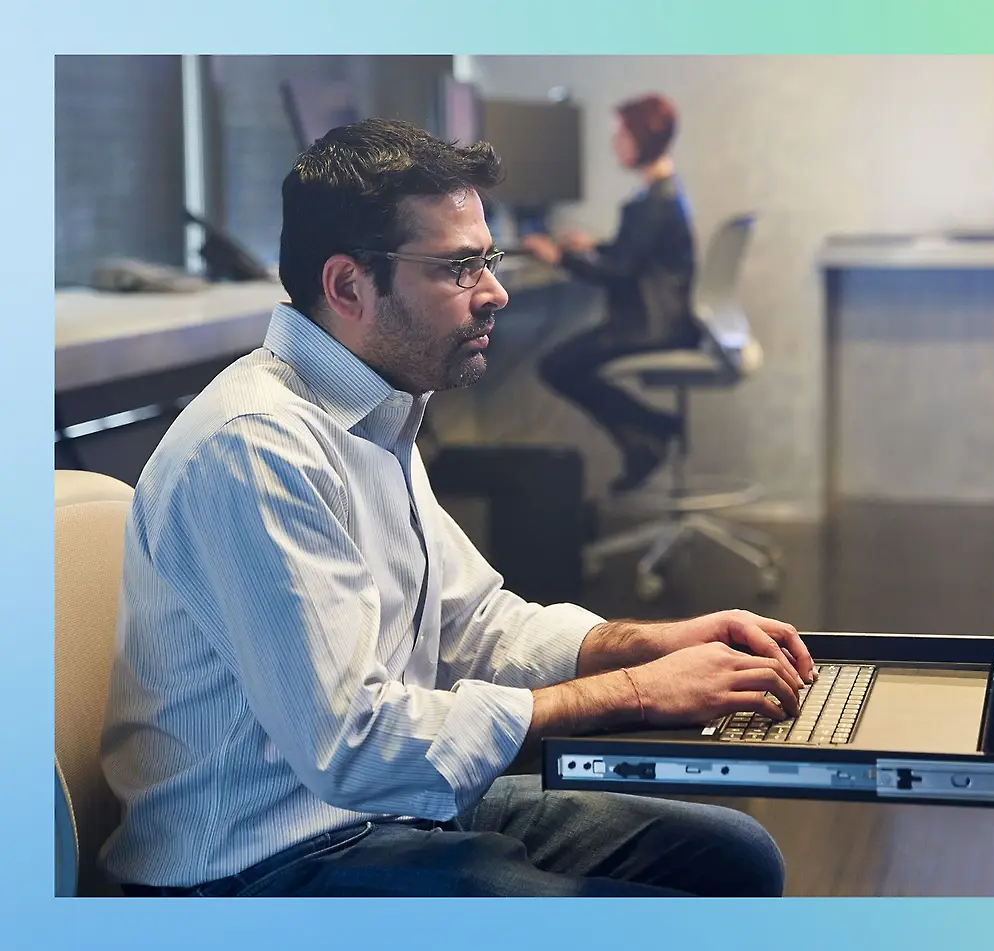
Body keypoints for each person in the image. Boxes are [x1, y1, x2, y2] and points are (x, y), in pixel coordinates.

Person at [99, 118, 817, 898]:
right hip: (263, 865)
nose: (495, 292)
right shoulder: (255, 446)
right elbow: (359, 745)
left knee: (736, 856)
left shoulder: (375, 407)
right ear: (348, 286)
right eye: (460, 268)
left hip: (383, 816)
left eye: (489, 260)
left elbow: (472, 624)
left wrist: (641, 644)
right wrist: (636, 694)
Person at [524, 93, 699, 493]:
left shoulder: (653, 202)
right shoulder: (662, 194)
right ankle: (646, 440)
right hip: (665, 321)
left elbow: (619, 272)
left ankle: (655, 430)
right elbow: (634, 254)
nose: (615, 144)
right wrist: (591, 246)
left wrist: (558, 257)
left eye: (620, 135)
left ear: (642, 138)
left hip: (648, 327)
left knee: (557, 367)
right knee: (564, 365)